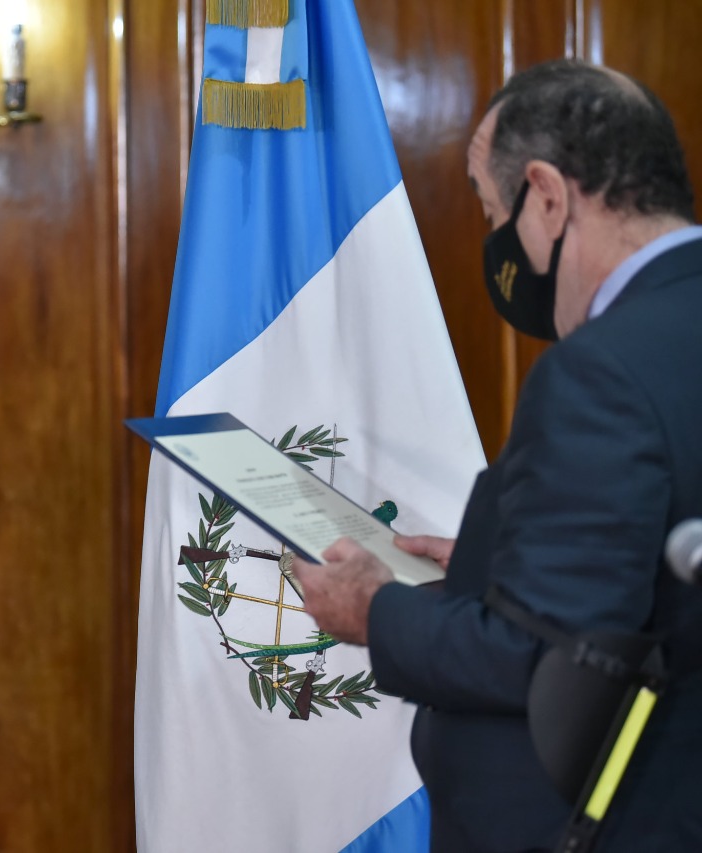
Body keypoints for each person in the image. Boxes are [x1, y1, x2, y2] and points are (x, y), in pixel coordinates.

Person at [290, 59, 702, 852]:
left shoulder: (599, 372)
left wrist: (374, 609)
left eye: (491, 212)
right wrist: (494, 563)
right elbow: (645, 566)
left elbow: (549, 655)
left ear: (545, 196)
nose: (497, 244)